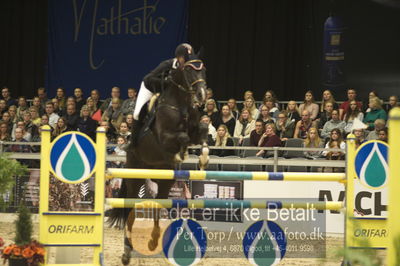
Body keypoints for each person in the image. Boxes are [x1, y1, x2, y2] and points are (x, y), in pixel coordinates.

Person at [131, 43, 194, 144]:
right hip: (149, 88)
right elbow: (150, 78)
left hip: (166, 92)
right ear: (178, 57)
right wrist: (167, 82)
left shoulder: (188, 70)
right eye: (185, 58)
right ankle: (133, 144)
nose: (187, 60)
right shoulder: (167, 64)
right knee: (137, 114)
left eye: (189, 58)